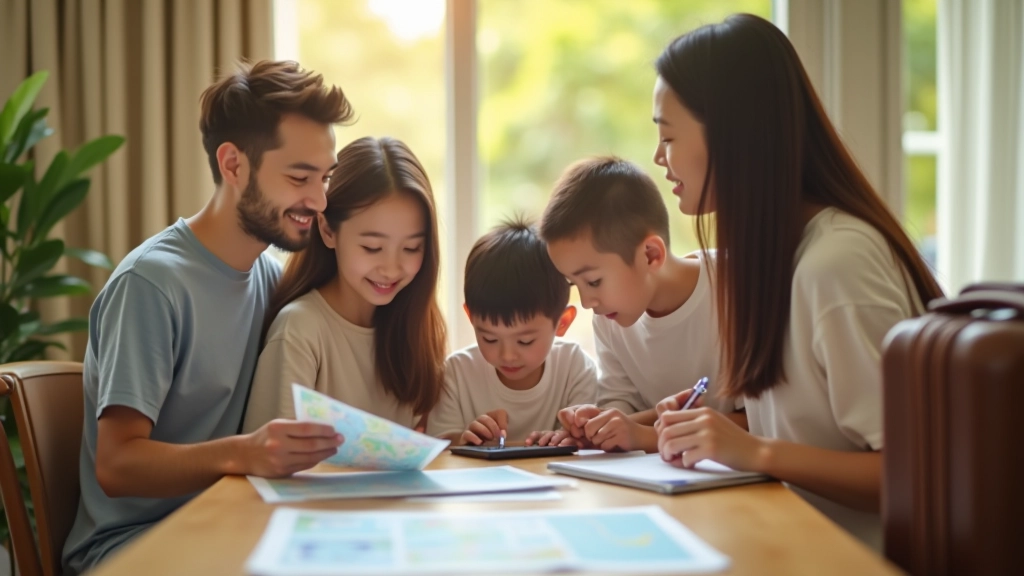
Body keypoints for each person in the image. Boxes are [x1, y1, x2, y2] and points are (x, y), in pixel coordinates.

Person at [650, 14, 944, 551]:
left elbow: (913, 472)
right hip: (792, 544)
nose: (658, 157)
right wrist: (723, 425)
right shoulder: (773, 260)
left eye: (667, 136)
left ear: (732, 134)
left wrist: (753, 451)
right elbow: (812, 431)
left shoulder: (837, 265)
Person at [62, 60, 352, 574]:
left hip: (229, 522)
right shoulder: (151, 285)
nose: (320, 199)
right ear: (233, 165)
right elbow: (117, 464)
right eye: (300, 177)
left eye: (324, 177)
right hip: (131, 548)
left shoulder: (267, 277)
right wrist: (246, 453)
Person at [243, 137, 447, 431]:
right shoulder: (300, 331)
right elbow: (270, 460)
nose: (391, 269)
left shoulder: (417, 331)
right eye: (372, 248)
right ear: (327, 230)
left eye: (412, 248)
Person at [536, 157, 740, 452]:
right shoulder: (610, 318)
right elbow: (622, 404)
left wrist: (646, 436)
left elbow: (759, 421)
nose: (587, 302)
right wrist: (598, 426)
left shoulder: (734, 291)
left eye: (593, 282)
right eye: (573, 284)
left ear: (650, 255)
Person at [427, 218, 597, 445]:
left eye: (525, 341)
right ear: (471, 318)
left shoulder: (574, 368)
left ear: (562, 322)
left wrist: (570, 438)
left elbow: (585, 442)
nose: (507, 355)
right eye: (489, 338)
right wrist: (468, 439)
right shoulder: (456, 374)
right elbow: (441, 447)